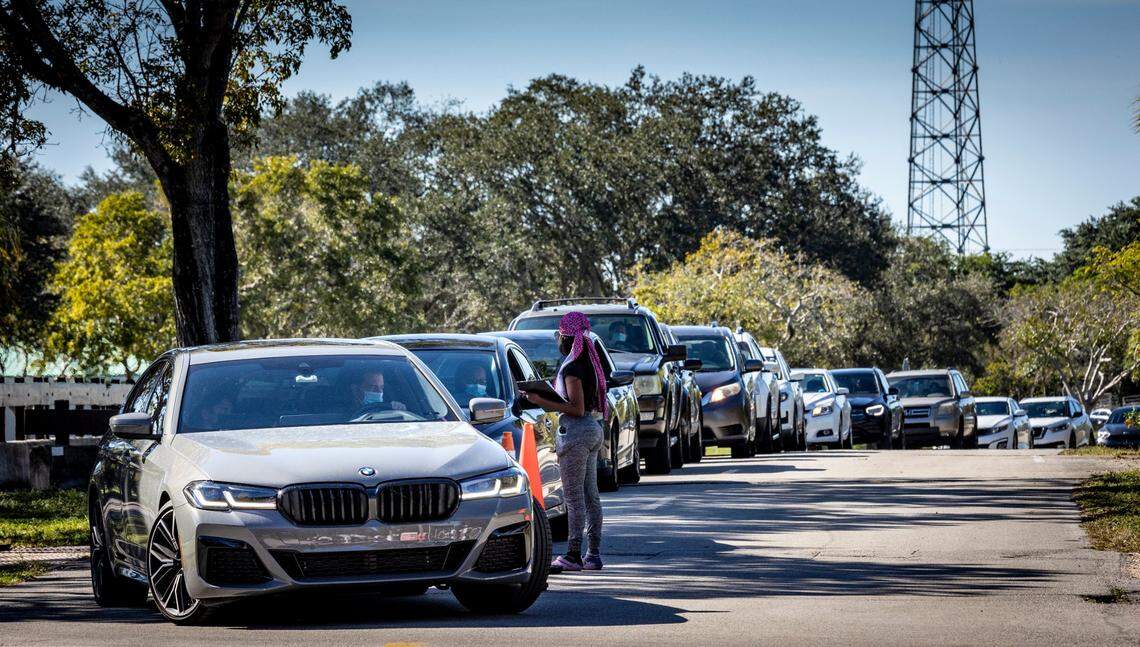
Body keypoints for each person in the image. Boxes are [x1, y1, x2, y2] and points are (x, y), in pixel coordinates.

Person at [521, 311, 608, 572]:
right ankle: (593, 554)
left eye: (560, 334)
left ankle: (572, 554)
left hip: (576, 433)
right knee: (591, 496)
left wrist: (540, 400)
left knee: (573, 497)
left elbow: (576, 407)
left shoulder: (572, 368)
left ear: (567, 337)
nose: (558, 339)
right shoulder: (590, 364)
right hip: (593, 430)